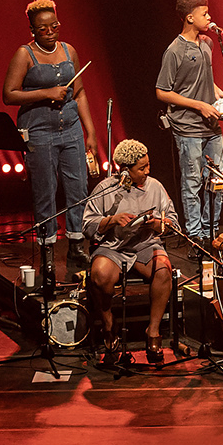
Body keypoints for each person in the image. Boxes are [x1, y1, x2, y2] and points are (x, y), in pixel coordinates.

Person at [2, 0, 100, 276]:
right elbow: (9, 94)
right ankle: (46, 250)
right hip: (39, 132)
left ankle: (76, 246)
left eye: (54, 26)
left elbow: (79, 92)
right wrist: (46, 93)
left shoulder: (69, 51)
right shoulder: (25, 55)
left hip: (70, 129)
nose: (50, 32)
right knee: (45, 192)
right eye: (43, 28)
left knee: (78, 189)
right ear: (32, 29)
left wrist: (90, 131)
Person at [83, 139, 179, 366]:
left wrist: (157, 224)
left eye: (148, 165)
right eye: (142, 168)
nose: (148, 171)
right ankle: (108, 324)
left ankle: (153, 332)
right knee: (100, 275)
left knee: (164, 270)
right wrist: (110, 220)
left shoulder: (155, 187)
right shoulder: (106, 189)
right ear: (125, 170)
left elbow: (173, 222)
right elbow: (87, 226)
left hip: (145, 244)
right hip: (113, 247)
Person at [153, 0, 223, 245]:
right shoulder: (175, 51)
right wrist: (198, 105)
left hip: (211, 125)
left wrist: (217, 91)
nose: (209, 18)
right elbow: (162, 91)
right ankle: (196, 235)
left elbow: (201, 77)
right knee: (193, 181)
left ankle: (212, 230)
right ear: (189, 17)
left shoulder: (207, 42)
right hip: (188, 126)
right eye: (204, 14)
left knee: (216, 179)